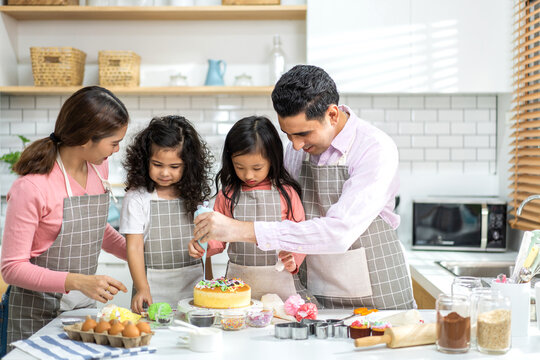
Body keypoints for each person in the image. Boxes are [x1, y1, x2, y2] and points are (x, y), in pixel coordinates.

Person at [193, 65, 415, 310]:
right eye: (288, 135)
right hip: (316, 291)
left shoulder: (375, 148)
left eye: (303, 134)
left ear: (332, 114)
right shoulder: (297, 150)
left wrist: (240, 230)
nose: (296, 146)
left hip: (376, 291)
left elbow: (338, 232)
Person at [0, 86, 130, 346]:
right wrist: (78, 281)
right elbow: (11, 269)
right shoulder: (32, 187)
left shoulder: (98, 166)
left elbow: (95, 228)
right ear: (85, 139)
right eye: (114, 142)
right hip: (33, 313)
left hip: (80, 309)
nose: (117, 150)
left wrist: (137, 252)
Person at [188, 116, 315, 302]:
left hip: (280, 285)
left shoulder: (287, 193)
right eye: (239, 167)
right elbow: (217, 240)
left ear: (272, 160)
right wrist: (202, 246)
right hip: (238, 285)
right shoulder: (227, 195)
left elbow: (300, 234)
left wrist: (293, 258)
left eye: (257, 167)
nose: (248, 175)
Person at [120, 115, 213, 313]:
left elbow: (205, 247)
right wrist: (142, 288)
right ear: (145, 160)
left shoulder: (196, 198)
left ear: (188, 165)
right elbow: (134, 248)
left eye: (174, 167)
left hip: (194, 292)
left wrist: (210, 285)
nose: (165, 173)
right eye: (157, 164)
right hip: (151, 293)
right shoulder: (137, 198)